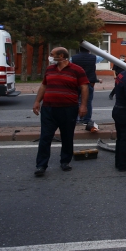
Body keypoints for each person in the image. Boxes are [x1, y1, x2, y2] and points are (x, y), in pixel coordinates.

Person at [32, 47, 89, 177]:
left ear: (61, 56)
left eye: (52, 55)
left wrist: (83, 106)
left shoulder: (77, 70)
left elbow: (85, 88)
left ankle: (65, 161)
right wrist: (37, 102)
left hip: (68, 108)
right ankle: (41, 165)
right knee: (45, 137)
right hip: (49, 108)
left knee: (67, 136)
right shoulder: (49, 69)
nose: (50, 57)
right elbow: (44, 85)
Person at [71, 46, 97, 125]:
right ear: (89, 49)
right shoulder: (94, 57)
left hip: (76, 81)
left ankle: (74, 119)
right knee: (88, 101)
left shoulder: (73, 58)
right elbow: (103, 57)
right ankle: (86, 119)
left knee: (74, 101)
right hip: (89, 81)